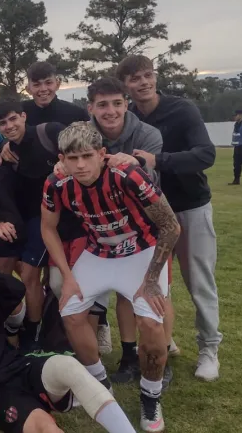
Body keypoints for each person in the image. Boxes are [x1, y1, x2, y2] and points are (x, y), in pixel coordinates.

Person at [42, 122, 180, 431]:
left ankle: (150, 396)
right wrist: (68, 276)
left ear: (103, 154)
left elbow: (170, 226)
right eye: (71, 158)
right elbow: (47, 227)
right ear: (61, 158)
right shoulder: (55, 183)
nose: (79, 165)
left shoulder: (126, 174)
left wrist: (150, 281)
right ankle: (100, 382)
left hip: (141, 251)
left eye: (87, 156)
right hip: (99, 253)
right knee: (71, 310)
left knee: (151, 322)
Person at [0, 258, 136, 433]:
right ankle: (65, 400)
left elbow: (16, 290)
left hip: (21, 367)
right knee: (46, 429)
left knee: (68, 366)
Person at [121, 54, 222, 382]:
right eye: (135, 78)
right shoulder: (130, 116)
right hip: (150, 214)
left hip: (189, 206)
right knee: (156, 282)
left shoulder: (182, 109)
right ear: (126, 85)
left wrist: (158, 160)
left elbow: (206, 154)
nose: (144, 83)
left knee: (199, 281)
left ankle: (209, 349)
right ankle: (166, 339)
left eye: (148, 75)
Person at [85, 77, 176, 385]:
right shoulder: (85, 134)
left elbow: (152, 177)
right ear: (91, 108)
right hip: (108, 224)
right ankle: (128, 354)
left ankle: (161, 351)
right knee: (125, 294)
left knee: (159, 293)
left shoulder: (147, 133)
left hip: (148, 224)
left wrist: (133, 161)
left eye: (117, 103)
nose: (110, 111)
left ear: (127, 103)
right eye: (102, 104)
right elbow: (74, 164)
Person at [0, 98, 67, 351]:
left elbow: (79, 146)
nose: (10, 126)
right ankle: (16, 323)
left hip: (48, 219)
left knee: (30, 274)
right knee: (6, 270)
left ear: (23, 116)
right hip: (21, 219)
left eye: (13, 119)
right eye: (3, 123)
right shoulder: (7, 152)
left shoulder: (50, 132)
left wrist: (64, 163)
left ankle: (34, 333)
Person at [21, 61, 89, 126]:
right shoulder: (18, 113)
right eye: (36, 85)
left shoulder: (77, 115)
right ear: (28, 89)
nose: (43, 89)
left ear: (58, 84)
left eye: (48, 83)